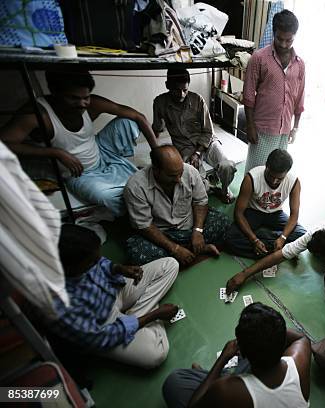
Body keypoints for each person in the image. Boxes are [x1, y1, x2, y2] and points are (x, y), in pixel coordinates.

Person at [0, 69, 158, 216]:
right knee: (109, 197)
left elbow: (138, 116)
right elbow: (4, 143)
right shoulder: (38, 115)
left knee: (128, 121)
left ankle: (122, 164)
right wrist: (55, 152)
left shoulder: (92, 104)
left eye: (86, 97)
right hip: (78, 173)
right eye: (74, 98)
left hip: (101, 149)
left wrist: (157, 153)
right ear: (55, 93)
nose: (83, 103)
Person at [50, 224, 179, 369]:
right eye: (91, 262)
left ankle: (135, 317)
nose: (96, 262)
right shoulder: (61, 304)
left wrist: (118, 268)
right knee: (157, 354)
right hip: (104, 324)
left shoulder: (78, 256)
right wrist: (155, 315)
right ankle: (140, 316)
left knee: (170, 265)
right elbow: (100, 338)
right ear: (71, 268)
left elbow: (101, 262)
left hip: (115, 291)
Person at [162, 302, 311, 408]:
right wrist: (271, 330)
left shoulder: (226, 390)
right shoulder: (300, 358)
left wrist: (223, 358)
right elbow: (301, 337)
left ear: (241, 350)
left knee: (173, 383)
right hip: (262, 367)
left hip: (241, 391)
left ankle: (211, 375)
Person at [123, 145, 230, 266]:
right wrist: (175, 249)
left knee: (223, 222)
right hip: (163, 234)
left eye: (180, 173)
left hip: (190, 227)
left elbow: (200, 202)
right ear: (156, 170)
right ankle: (197, 250)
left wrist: (198, 230)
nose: (179, 179)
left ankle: (185, 255)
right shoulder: (135, 187)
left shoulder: (190, 171)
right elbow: (145, 226)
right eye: (172, 176)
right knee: (137, 255)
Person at [153, 69, 237, 204]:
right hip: (184, 147)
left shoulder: (198, 100)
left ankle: (224, 189)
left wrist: (198, 153)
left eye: (185, 90)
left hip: (207, 142)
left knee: (227, 166)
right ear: (167, 85)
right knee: (194, 182)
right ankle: (210, 185)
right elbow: (156, 129)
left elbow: (208, 131)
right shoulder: (160, 102)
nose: (181, 94)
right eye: (176, 90)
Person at [242, 9, 305, 172]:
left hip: (284, 130)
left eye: (288, 40)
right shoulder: (259, 58)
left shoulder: (299, 64)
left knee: (275, 173)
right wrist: (250, 126)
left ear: (294, 36)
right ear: (273, 33)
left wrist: (295, 127)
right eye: (279, 39)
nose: (283, 44)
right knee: (256, 172)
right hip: (262, 129)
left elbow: (299, 98)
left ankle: (267, 199)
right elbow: (248, 95)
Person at [224, 149, 306, 259]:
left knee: (302, 235)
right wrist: (254, 240)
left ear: (287, 173)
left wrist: (283, 237)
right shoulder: (251, 178)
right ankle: (275, 250)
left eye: (280, 179)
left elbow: (294, 215)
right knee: (229, 238)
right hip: (254, 212)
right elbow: (238, 213)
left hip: (276, 213)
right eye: (271, 176)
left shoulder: (294, 182)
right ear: (266, 166)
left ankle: (265, 247)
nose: (274, 181)